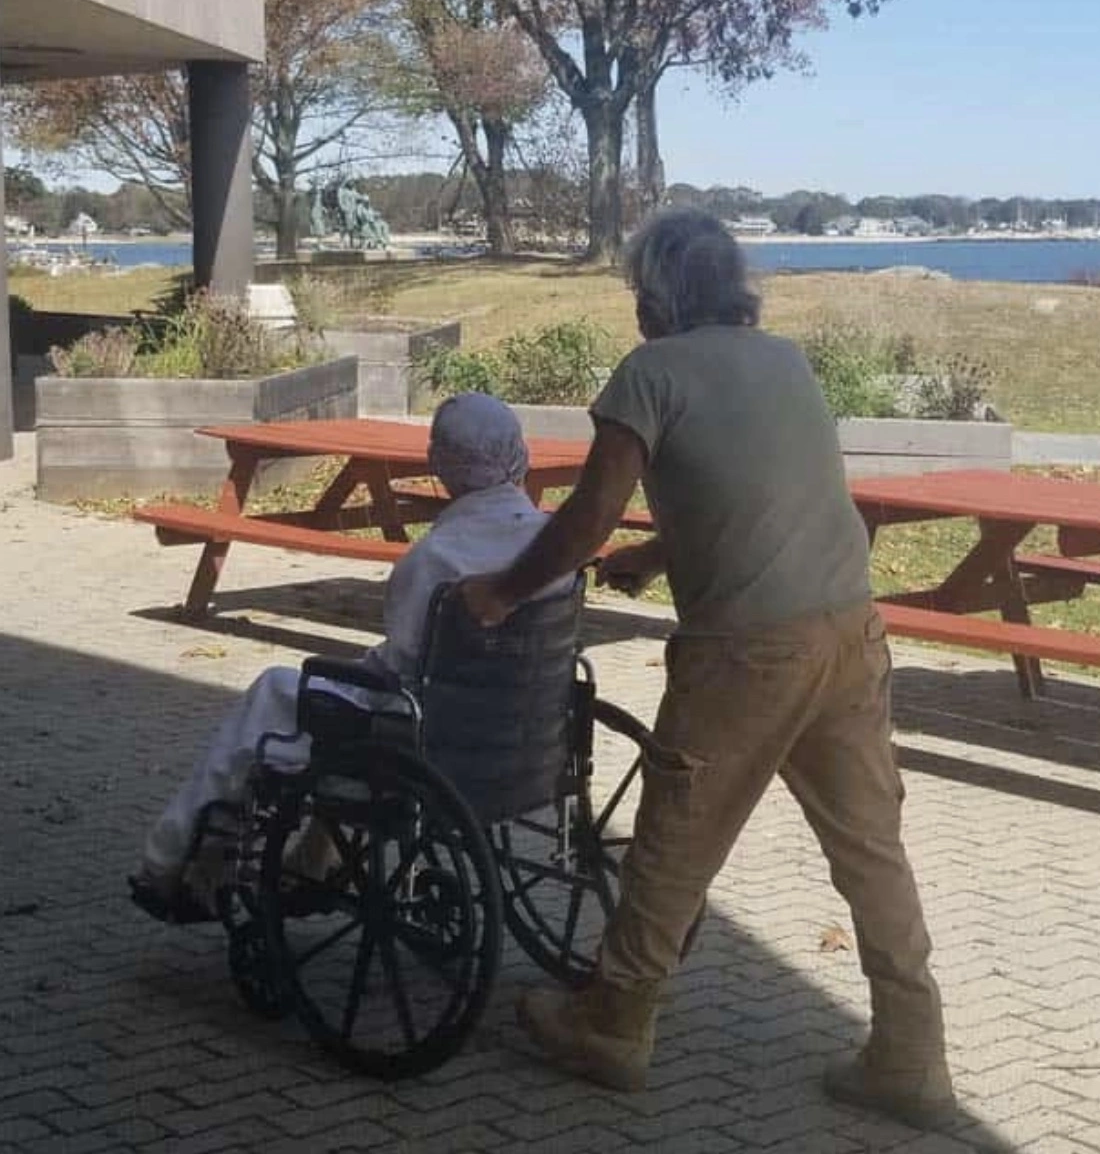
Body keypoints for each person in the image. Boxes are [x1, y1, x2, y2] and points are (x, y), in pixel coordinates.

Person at [460, 209, 955, 1131]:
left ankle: (613, 1023)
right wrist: (657, 560)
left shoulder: (650, 374)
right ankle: (911, 1054)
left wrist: (499, 591)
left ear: (654, 297)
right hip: (850, 630)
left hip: (746, 655)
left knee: (673, 840)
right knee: (870, 849)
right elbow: (765, 494)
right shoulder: (787, 361)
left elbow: (583, 522)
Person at [130, 392, 568, 923]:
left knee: (277, 692)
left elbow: (404, 657)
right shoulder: (554, 545)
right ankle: (317, 860)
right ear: (518, 453)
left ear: (438, 465)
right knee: (343, 699)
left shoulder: (438, 557)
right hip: (521, 727)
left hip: (427, 737)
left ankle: (171, 861)